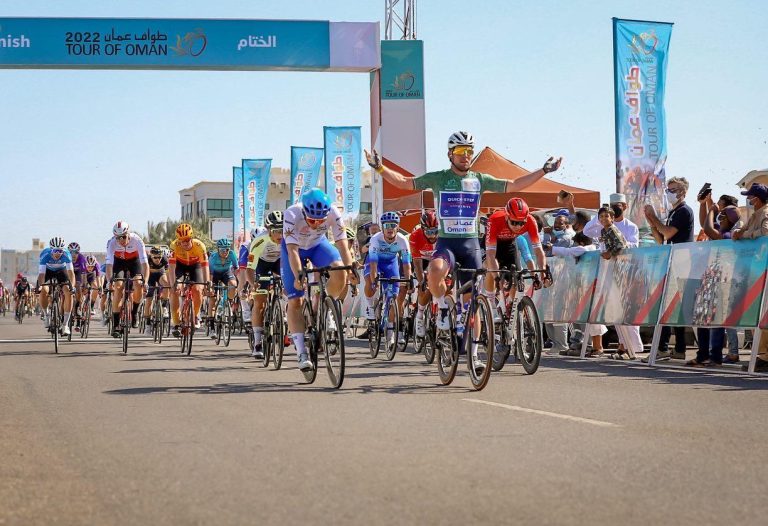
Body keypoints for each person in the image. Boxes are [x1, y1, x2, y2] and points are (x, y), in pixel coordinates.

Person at [365, 131, 561, 342]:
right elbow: (405, 182)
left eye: (469, 150)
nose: (466, 155)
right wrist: (379, 168)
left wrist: (543, 171)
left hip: (470, 245)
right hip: (447, 243)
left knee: (472, 304)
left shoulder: (479, 179)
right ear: (450, 154)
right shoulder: (439, 178)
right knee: (434, 272)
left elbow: (514, 185)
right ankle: (442, 307)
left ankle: (474, 352)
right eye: (460, 150)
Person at [282, 188, 359, 371]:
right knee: (296, 300)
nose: (316, 224)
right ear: (304, 212)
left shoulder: (334, 212)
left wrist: (351, 269)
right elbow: (292, 251)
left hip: (317, 245)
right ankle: (302, 352)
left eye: (321, 221)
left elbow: (342, 245)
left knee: (340, 271)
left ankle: (326, 307)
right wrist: (299, 274)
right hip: (293, 250)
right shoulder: (292, 213)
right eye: (312, 220)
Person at [644, 177, 694, 361]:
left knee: (670, 306)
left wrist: (654, 218)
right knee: (670, 307)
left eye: (673, 190)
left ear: (683, 192)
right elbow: (660, 239)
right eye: (668, 190)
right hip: (672, 262)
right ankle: (676, 348)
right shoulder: (673, 212)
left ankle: (665, 347)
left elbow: (667, 232)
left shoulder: (684, 211)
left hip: (682, 263)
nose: (669, 193)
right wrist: (651, 221)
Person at [552, 232, 607, 356]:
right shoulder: (584, 251)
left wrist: (553, 248)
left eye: (575, 243)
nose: (574, 246)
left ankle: (597, 347)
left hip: (593, 289)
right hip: (582, 289)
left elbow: (573, 251)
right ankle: (582, 345)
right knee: (583, 319)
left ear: (581, 242)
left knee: (594, 320)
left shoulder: (590, 249)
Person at [363, 211, 413, 348]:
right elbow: (373, 264)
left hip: (391, 263)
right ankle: (370, 307)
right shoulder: (375, 239)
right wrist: (374, 280)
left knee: (394, 297)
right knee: (370, 283)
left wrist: (408, 280)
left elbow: (406, 264)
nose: (390, 228)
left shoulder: (402, 240)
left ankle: (390, 334)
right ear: (382, 228)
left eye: (393, 225)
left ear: (398, 227)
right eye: (386, 225)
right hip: (375, 262)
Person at [732, 183, 768, 372]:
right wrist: (739, 234)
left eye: (751, 196)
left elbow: (765, 233)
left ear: (758, 198)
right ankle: (760, 355)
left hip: (763, 270)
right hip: (755, 270)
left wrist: (745, 234)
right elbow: (740, 233)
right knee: (756, 313)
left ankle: (764, 356)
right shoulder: (755, 214)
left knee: (762, 313)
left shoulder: (765, 213)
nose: (749, 200)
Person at [246, 211, 284, 358]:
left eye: (282, 230)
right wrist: (253, 283)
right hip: (261, 265)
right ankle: (257, 343)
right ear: (268, 230)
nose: (280, 234)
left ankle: (284, 317)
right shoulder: (259, 241)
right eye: (276, 231)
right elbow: (250, 268)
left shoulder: (289, 237)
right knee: (260, 302)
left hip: (279, 262)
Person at [105, 221, 150, 338]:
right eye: (118, 238)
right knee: (118, 287)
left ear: (128, 234)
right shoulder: (111, 243)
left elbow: (145, 264)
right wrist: (109, 281)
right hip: (119, 262)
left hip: (134, 262)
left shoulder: (137, 241)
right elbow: (109, 265)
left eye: (124, 237)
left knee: (138, 283)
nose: (121, 240)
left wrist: (145, 281)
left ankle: (134, 312)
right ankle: (116, 324)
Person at [168, 223, 210, 336]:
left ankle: (195, 315)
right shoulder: (174, 245)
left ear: (191, 238)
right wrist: (173, 284)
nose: (184, 243)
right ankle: (176, 322)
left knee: (198, 290)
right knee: (175, 290)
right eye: (181, 240)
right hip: (179, 266)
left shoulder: (200, 246)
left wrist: (207, 283)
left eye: (187, 240)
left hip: (195, 266)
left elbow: (205, 266)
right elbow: (171, 267)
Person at [36, 237, 76, 335]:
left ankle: (65, 325)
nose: (58, 253)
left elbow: (71, 273)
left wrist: (72, 286)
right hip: (48, 271)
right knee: (43, 290)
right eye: (55, 251)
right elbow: (42, 275)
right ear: (51, 250)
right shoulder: (45, 255)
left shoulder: (67, 255)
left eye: (60, 251)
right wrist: (40, 286)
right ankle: (46, 315)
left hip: (61, 271)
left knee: (69, 292)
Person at [410, 210, 438, 338]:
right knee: (424, 287)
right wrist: (421, 281)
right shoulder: (415, 236)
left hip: (437, 260)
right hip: (422, 261)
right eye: (429, 232)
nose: (433, 236)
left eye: (435, 231)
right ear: (422, 229)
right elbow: (417, 263)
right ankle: (420, 316)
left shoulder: (443, 236)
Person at [206, 238, 239, 335]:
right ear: (218, 249)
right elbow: (210, 274)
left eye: (227, 249)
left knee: (233, 285)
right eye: (222, 250)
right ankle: (212, 326)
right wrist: (210, 286)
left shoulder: (232, 254)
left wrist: (239, 282)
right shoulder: (213, 257)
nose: (225, 252)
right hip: (214, 275)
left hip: (226, 273)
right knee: (212, 299)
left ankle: (228, 303)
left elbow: (236, 269)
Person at [142, 247, 171, 335]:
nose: (158, 259)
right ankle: (147, 324)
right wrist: (144, 283)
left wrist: (170, 284)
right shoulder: (147, 259)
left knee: (166, 284)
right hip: (149, 276)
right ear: (151, 256)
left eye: (159, 257)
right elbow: (142, 272)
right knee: (149, 300)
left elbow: (168, 273)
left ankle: (164, 306)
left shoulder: (165, 259)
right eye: (155, 257)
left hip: (160, 274)